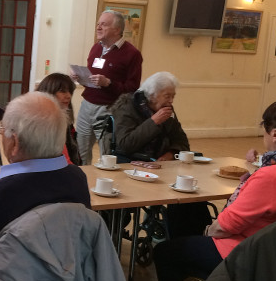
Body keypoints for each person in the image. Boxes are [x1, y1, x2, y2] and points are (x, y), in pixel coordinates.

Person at [153, 99, 276, 281]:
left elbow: (224, 227)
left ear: (275, 134)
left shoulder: (271, 176)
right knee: (191, 216)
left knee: (166, 252)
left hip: (249, 252)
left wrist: (206, 232)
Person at [0, 92, 91, 265]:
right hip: (69, 275)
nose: (0, 135)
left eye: (1, 129)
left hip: (5, 280)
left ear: (15, 142)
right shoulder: (78, 179)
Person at [73, 10, 143, 165]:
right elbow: (93, 79)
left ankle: (107, 180)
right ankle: (83, 179)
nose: (98, 27)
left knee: (107, 154)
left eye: (103, 24)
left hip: (110, 109)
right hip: (87, 106)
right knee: (80, 152)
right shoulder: (96, 48)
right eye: (98, 24)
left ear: (117, 30)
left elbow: (132, 88)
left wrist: (108, 83)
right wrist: (81, 78)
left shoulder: (132, 54)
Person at [111, 71, 188, 161]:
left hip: (159, 163)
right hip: (131, 162)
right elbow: (125, 145)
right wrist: (153, 122)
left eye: (173, 96)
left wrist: (171, 154)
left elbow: (182, 142)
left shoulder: (167, 109)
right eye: (167, 96)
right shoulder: (127, 107)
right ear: (152, 95)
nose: (171, 101)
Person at [36, 73, 81, 165]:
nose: (68, 96)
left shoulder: (66, 121)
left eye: (70, 91)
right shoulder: (40, 122)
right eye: (62, 91)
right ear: (49, 91)